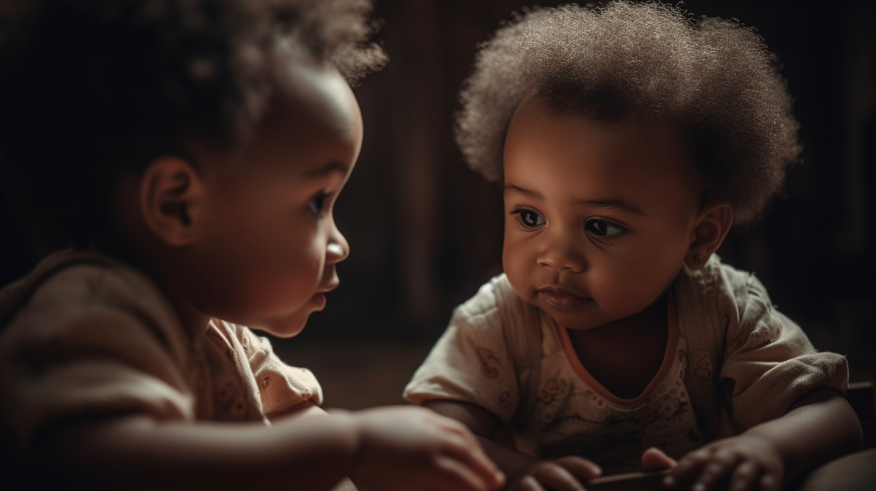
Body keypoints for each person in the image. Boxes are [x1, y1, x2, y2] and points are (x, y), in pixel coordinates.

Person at [0, 1, 507, 490]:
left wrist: (424, 458)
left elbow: (300, 428)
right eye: (317, 202)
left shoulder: (219, 330)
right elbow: (109, 457)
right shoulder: (90, 311)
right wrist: (352, 444)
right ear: (177, 205)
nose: (340, 244)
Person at [403, 2, 863, 490]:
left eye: (601, 226)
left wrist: (766, 446)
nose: (555, 256)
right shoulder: (500, 322)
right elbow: (432, 434)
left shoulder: (725, 311)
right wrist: (525, 476)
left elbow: (835, 417)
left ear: (701, 235)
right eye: (529, 216)